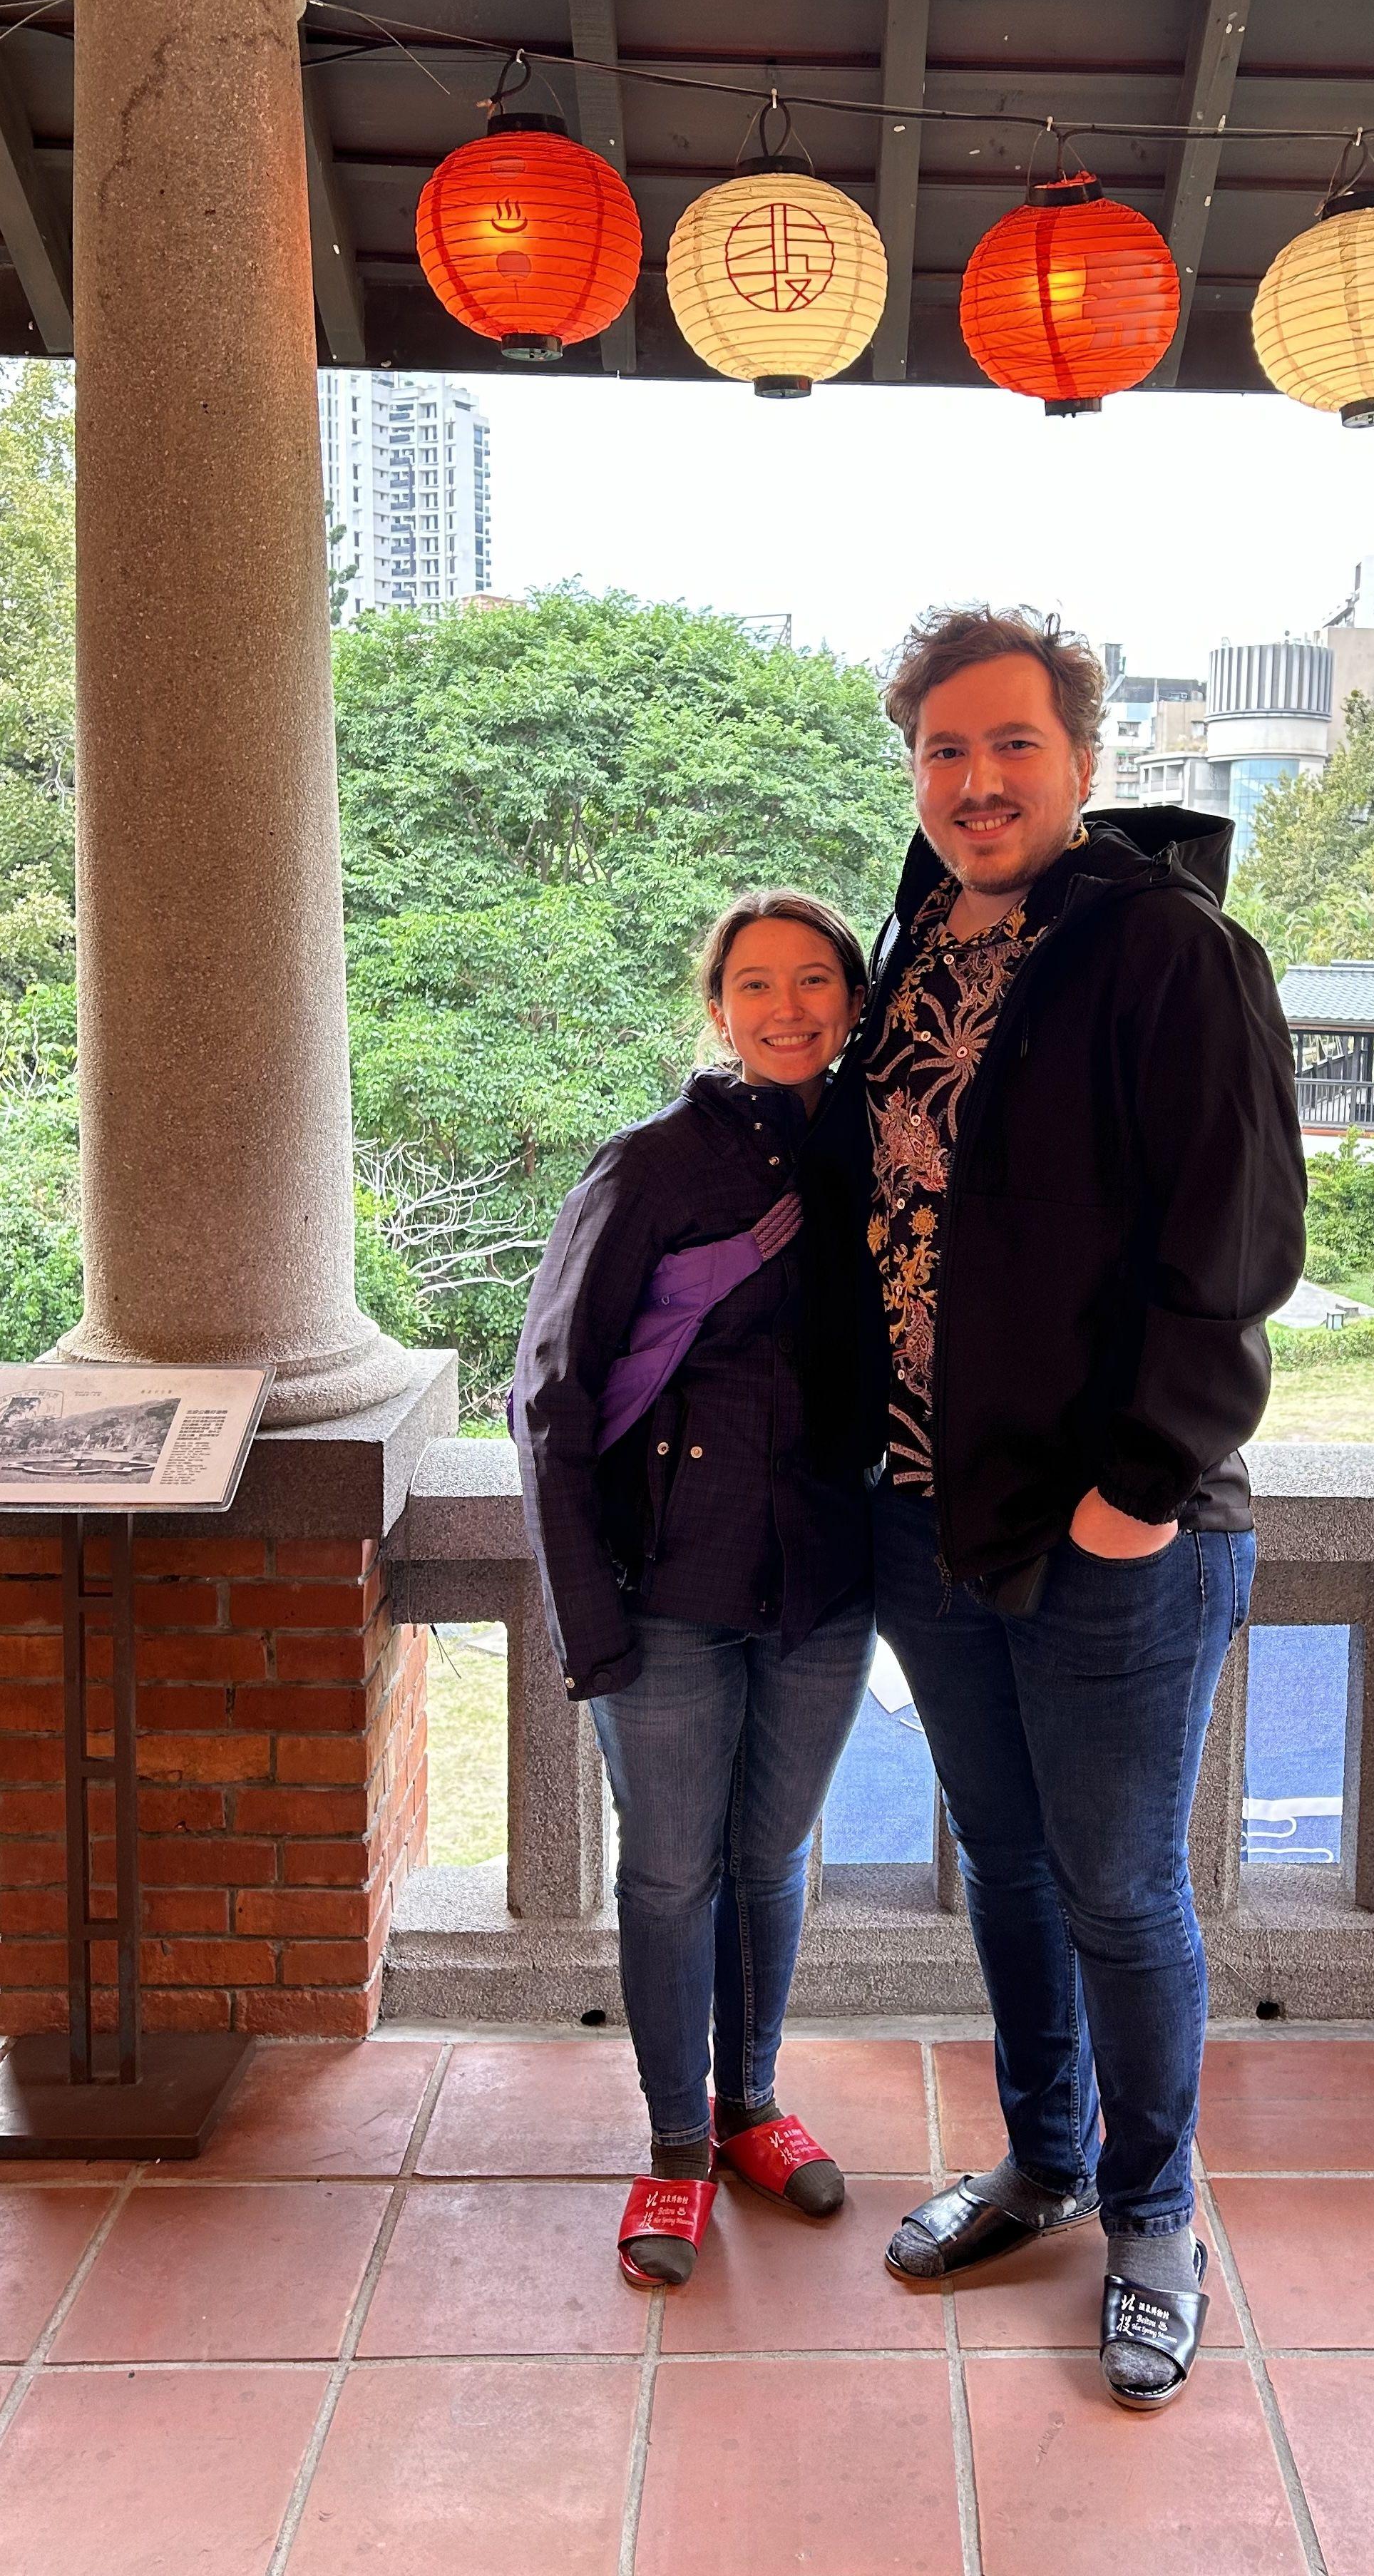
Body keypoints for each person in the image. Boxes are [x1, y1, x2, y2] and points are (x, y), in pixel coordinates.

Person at [821, 606, 1306, 2410]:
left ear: (1085, 761)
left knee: (1116, 1886)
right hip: (932, 1510)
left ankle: (1156, 2211)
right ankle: (1045, 2156)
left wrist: (1137, 1492)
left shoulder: (1170, 950)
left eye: (1011, 743)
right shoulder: (921, 936)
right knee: (1007, 1862)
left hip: (1115, 1523)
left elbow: (1235, 1245)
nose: (975, 780)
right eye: (943, 751)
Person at [513, 891, 880, 2292]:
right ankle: (675, 2151)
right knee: (671, 1874)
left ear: (852, 1001)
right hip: (661, 1592)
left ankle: (752, 2110)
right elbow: (547, 1395)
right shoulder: (649, 1168)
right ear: (715, 1009)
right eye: (754, 984)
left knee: (770, 1862)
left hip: (823, 1593)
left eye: (813, 981)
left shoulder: (879, 1159)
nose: (787, 1007)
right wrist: (587, 1622)